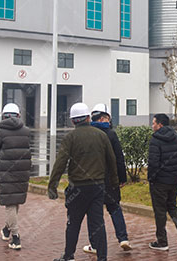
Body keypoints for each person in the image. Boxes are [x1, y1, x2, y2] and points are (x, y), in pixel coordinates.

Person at [49, 103, 119, 261]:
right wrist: (114, 182)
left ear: (73, 121)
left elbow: (60, 163)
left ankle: (68, 256)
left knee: (73, 223)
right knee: (98, 224)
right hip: (97, 187)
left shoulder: (70, 138)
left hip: (77, 188)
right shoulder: (101, 136)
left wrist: (52, 185)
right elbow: (111, 160)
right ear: (88, 118)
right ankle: (102, 257)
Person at [83, 103, 132, 255]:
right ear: (104, 118)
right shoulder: (111, 134)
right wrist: (122, 178)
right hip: (110, 180)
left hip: (92, 180)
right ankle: (123, 238)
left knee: (93, 214)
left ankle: (94, 245)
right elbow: (119, 158)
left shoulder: (88, 134)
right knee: (115, 208)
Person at [147, 113, 177, 251]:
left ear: (160, 124)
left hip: (159, 182)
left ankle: (162, 242)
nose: (152, 126)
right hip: (173, 180)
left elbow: (153, 162)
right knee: (172, 206)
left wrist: (151, 178)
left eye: (154, 123)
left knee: (160, 211)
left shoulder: (155, 139)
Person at [0, 103, 31, 250]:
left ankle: (15, 237)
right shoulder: (26, 131)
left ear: (3, 116)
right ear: (18, 115)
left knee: (10, 203)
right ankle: (6, 229)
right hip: (22, 169)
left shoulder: (0, 132)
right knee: (15, 201)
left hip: (6, 170)